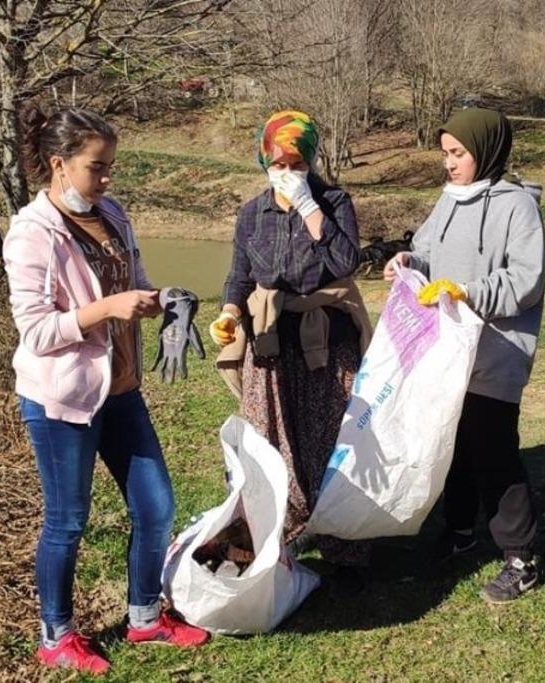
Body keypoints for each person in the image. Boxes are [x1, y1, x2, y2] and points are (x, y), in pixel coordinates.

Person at [4, 106, 210, 675]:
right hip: (62, 399)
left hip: (119, 389)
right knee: (68, 520)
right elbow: (38, 331)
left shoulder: (112, 215)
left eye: (111, 166)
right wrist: (106, 310)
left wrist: (167, 298)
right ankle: (57, 635)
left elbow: (135, 286)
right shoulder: (32, 234)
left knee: (156, 505)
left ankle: (144, 618)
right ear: (59, 165)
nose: (107, 178)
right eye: (98, 167)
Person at [384, 107, 545, 604]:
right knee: (451, 442)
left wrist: (469, 291)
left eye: (458, 154)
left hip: (497, 351)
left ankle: (522, 559)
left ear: (487, 150)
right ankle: (459, 532)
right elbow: (427, 250)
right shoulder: (450, 198)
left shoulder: (518, 207)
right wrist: (408, 261)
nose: (448, 164)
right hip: (448, 350)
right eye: (444, 154)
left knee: (492, 450)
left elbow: (526, 279)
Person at [208, 110, 373, 580]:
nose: (287, 174)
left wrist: (309, 208)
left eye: (297, 164)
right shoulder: (251, 214)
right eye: (278, 164)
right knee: (270, 441)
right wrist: (229, 312)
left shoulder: (335, 202)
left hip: (327, 340)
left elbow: (345, 260)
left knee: (333, 440)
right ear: (264, 161)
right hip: (271, 342)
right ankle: (279, 532)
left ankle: (344, 542)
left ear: (311, 162)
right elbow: (240, 275)